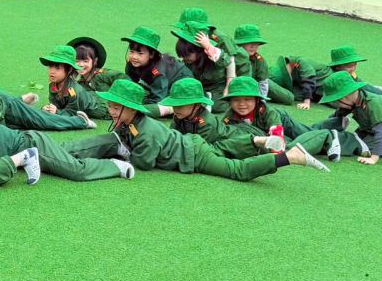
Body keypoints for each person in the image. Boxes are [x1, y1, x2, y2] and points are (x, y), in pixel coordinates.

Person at [93, 80, 326, 179]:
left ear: (196, 105)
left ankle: (313, 143)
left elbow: (212, 146)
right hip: (210, 145)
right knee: (235, 159)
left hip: (225, 142)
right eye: (175, 104)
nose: (176, 109)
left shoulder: (207, 123)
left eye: (181, 105)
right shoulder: (182, 117)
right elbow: (176, 137)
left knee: (238, 169)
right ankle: (264, 144)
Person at [0, 87, 128, 182]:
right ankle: (111, 142)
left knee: (75, 170)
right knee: (68, 151)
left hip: (35, 147)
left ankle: (115, 166)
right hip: (30, 143)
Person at [293, 70, 382, 163]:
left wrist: (374, 158)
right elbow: (336, 116)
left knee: (369, 148)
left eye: (336, 100)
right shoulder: (352, 101)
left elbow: (381, 131)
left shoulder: (373, 103)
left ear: (345, 96)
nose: (335, 104)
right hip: (371, 125)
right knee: (359, 139)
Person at [0, 60, 90, 132]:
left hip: (11, 108)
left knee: (42, 120)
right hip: (6, 102)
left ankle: (81, 121)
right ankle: (23, 99)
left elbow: (0, 131)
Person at [170, 10, 236, 99]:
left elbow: (227, 61)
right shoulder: (187, 46)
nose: (184, 59)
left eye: (187, 55)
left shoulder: (221, 40)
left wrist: (208, 46)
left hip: (220, 86)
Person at [22, 44, 99, 121]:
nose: (52, 71)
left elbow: (73, 113)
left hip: (98, 108)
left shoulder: (74, 91)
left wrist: (57, 111)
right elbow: (56, 104)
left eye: (57, 68)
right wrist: (47, 108)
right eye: (50, 66)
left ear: (69, 70)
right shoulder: (52, 85)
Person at [120, 26, 184, 104]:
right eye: (132, 51)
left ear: (152, 54)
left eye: (140, 53)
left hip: (179, 84)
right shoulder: (132, 62)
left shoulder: (157, 71)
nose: (134, 57)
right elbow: (131, 84)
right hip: (158, 84)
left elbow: (159, 99)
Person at [231, 24, 274, 98]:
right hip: (237, 87)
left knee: (287, 98)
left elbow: (263, 83)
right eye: (249, 43)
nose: (253, 46)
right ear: (240, 44)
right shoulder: (230, 56)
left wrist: (261, 100)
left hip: (257, 85)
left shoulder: (259, 60)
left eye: (256, 43)